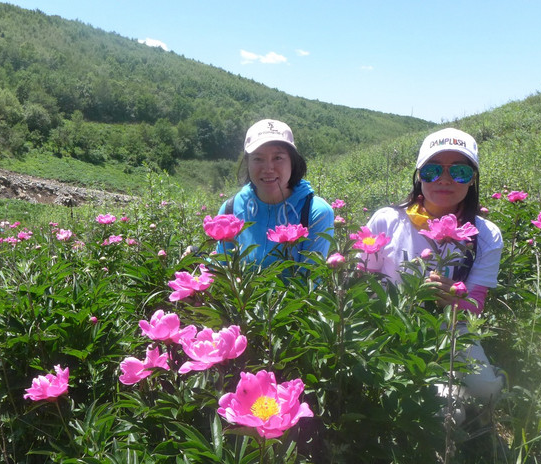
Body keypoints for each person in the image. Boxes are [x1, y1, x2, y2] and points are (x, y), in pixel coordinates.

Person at [361, 127, 504, 419]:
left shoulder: (487, 235)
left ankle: (485, 380)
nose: (445, 179)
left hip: (452, 327)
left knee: (487, 391)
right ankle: (451, 393)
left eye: (460, 172)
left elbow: (475, 306)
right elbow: (363, 278)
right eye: (433, 170)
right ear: (418, 175)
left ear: (473, 179)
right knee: (448, 414)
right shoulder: (388, 220)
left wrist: (454, 297)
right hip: (393, 325)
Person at [216, 119, 334, 266]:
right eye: (258, 158)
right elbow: (221, 269)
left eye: (278, 158)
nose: (268, 168)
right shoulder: (230, 209)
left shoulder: (315, 212)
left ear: (293, 161)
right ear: (247, 162)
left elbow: (310, 280)